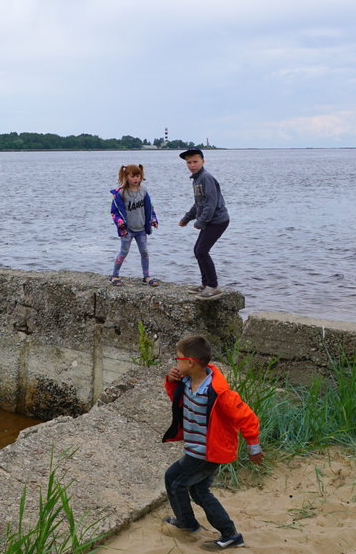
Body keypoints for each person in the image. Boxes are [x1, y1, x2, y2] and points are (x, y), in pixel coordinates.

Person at [161, 335, 263, 550]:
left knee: (175, 480)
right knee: (199, 491)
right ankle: (223, 532)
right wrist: (171, 381)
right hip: (196, 448)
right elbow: (178, 400)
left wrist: (254, 446)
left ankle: (193, 525)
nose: (175, 362)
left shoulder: (219, 392)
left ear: (190, 362)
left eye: (177, 358)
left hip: (207, 452)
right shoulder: (187, 381)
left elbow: (247, 417)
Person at [177, 149, 229, 298]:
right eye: (189, 162)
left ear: (203, 161)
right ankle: (205, 284)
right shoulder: (197, 179)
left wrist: (200, 222)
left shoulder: (206, 177)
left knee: (201, 251)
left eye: (195, 162)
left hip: (218, 220)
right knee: (198, 250)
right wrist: (186, 219)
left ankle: (213, 286)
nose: (192, 165)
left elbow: (211, 204)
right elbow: (198, 204)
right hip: (210, 220)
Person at [108, 163, 159, 286]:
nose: (136, 179)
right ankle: (114, 275)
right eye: (133, 176)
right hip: (127, 230)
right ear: (126, 177)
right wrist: (119, 222)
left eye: (138, 176)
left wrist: (153, 219)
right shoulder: (121, 194)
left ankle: (146, 277)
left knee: (144, 252)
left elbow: (149, 207)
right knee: (124, 252)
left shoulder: (144, 191)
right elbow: (115, 211)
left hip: (141, 228)